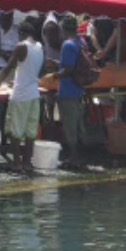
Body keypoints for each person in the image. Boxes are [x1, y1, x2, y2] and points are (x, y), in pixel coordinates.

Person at [0, 19, 46, 174]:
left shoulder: (21, 46)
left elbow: (8, 67)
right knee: (30, 132)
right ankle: (27, 163)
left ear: (22, 34)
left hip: (20, 95)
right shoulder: (39, 47)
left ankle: (16, 163)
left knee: (15, 131)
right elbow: (35, 71)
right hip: (33, 94)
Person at [55, 15, 90, 169]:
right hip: (79, 88)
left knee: (70, 126)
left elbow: (68, 69)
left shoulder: (67, 45)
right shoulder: (81, 42)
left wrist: (54, 75)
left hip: (68, 89)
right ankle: (79, 156)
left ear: (63, 29)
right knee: (77, 124)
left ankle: (74, 157)